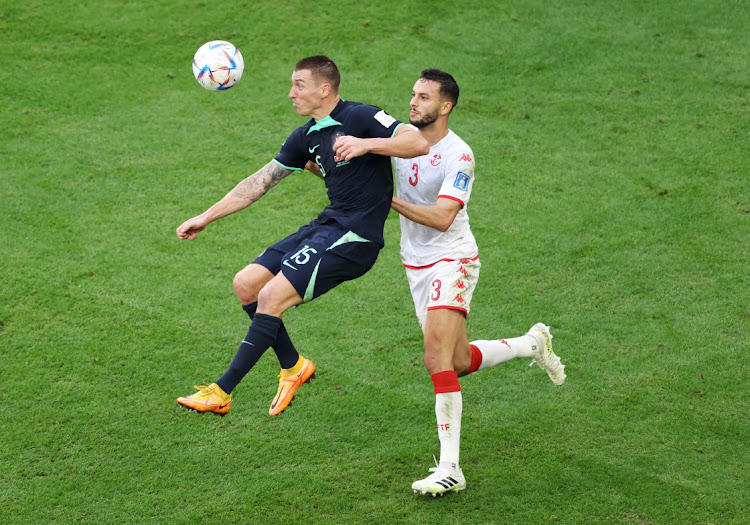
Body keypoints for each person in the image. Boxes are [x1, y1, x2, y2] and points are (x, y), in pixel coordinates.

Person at [175, 55, 429, 416]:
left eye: (299, 85)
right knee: (246, 284)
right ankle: (294, 366)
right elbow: (258, 182)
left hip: (355, 237)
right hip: (327, 225)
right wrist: (205, 217)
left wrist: (366, 144)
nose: (291, 93)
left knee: (270, 296)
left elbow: (417, 142)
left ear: (324, 89)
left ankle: (221, 391)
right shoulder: (305, 136)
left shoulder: (361, 117)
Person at [390, 69, 566, 497]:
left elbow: (443, 215)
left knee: (436, 360)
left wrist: (386, 200)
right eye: (413, 94)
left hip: (454, 259)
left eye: (424, 97)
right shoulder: (398, 142)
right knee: (458, 362)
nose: (414, 103)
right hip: (414, 263)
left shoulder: (459, 155)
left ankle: (450, 468)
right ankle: (532, 344)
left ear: (445, 106)